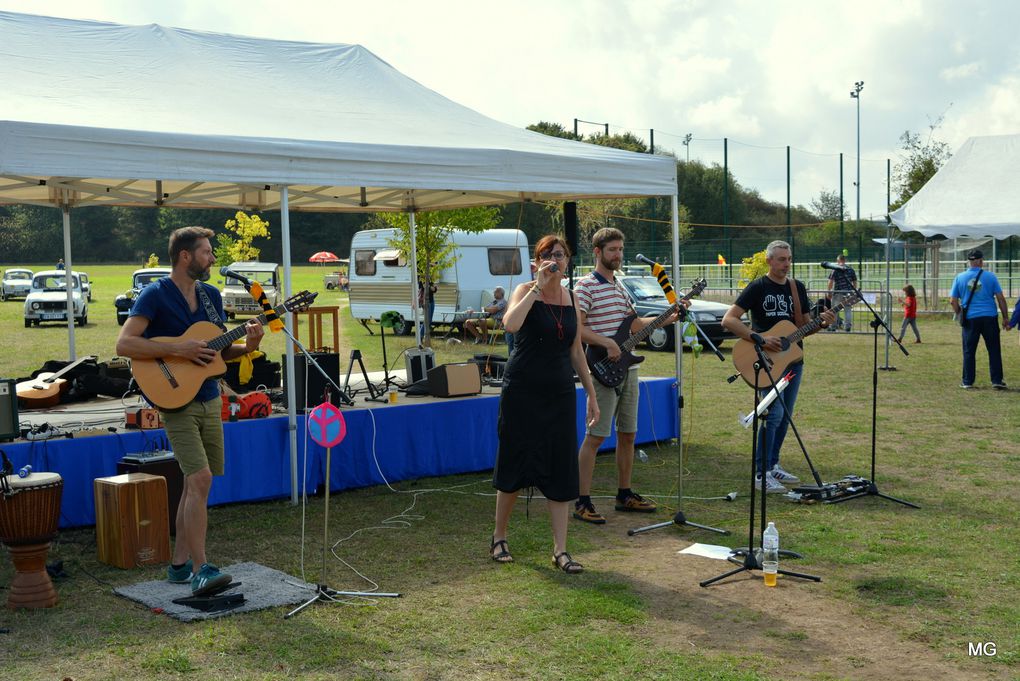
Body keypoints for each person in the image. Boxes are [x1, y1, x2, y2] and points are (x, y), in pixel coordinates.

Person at [116, 226, 265, 595]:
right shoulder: (154, 295)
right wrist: (179, 350)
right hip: (175, 401)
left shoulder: (211, 295)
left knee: (196, 483)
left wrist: (248, 345)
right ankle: (202, 569)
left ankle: (179, 566)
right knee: (199, 480)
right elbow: (125, 344)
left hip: (209, 396)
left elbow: (216, 353)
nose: (213, 258)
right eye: (206, 252)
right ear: (185, 256)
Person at [491, 235, 599, 573]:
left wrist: (591, 394)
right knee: (515, 460)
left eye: (562, 255)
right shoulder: (525, 291)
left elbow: (576, 350)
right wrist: (538, 287)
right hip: (522, 389)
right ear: (537, 261)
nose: (557, 260)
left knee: (559, 466)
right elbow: (510, 324)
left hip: (559, 392)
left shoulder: (571, 298)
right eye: (550, 255)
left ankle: (561, 550)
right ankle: (499, 537)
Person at [573, 228, 683, 524]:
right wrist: (606, 342)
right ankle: (582, 500)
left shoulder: (621, 287)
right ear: (597, 252)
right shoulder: (585, 287)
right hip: (601, 369)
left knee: (628, 434)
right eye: (612, 250)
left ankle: (624, 494)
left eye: (620, 249)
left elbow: (634, 325)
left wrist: (668, 316)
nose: (618, 255)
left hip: (629, 369)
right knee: (595, 437)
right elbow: (577, 330)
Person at [722, 240, 836, 493]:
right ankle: (760, 474)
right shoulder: (757, 287)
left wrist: (823, 323)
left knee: (784, 416)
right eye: (781, 259)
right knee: (772, 415)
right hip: (765, 361)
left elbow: (805, 327)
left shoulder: (797, 288)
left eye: (789, 259)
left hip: (794, 359)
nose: (786, 264)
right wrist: (759, 338)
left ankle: (773, 464)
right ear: (769, 261)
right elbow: (729, 320)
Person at [949, 249, 1009, 390]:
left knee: (969, 351)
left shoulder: (960, 277)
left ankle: (968, 381)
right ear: (981, 261)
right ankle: (996, 380)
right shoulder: (991, 277)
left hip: (970, 318)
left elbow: (953, 300)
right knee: (994, 349)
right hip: (989, 317)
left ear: (969, 262)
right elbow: (1000, 298)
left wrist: (959, 313)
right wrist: (1005, 317)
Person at [825, 254, 857, 332]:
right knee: (848, 310)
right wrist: (853, 291)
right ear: (844, 260)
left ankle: (833, 326)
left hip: (838, 292)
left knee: (835, 310)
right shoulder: (850, 269)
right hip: (848, 293)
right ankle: (848, 327)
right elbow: (855, 281)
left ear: (838, 260)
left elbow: (830, 282)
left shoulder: (835, 269)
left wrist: (829, 291)